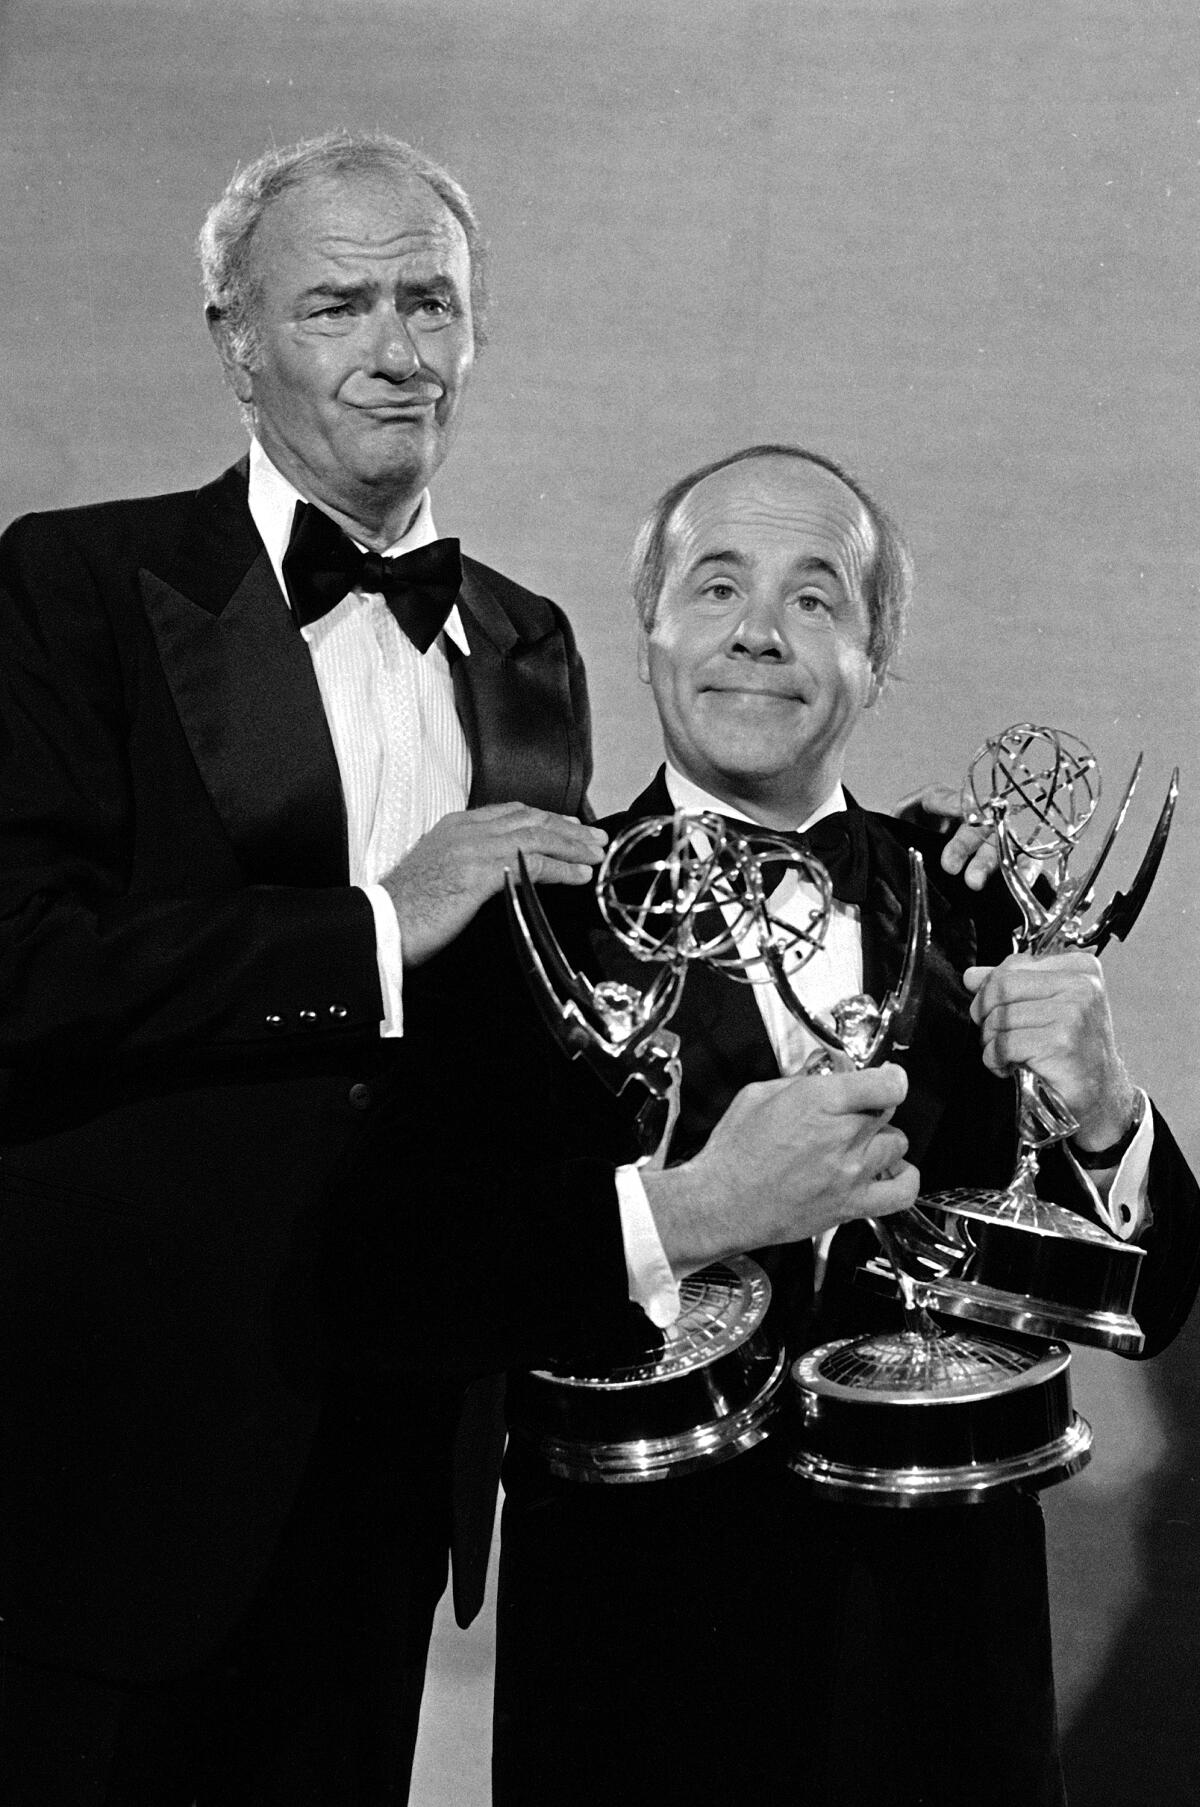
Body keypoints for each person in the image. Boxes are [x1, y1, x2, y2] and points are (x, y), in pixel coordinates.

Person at [0, 142, 921, 1804]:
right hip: (130, 1443)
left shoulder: (527, 639)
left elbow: (560, 1043)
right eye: (338, 302)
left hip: (410, 1433)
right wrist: (374, 923)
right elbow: (19, 972)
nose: (397, 347)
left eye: (431, 301)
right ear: (234, 337)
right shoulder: (69, 587)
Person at [493, 444, 1200, 1807]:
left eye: (817, 600)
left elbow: (1155, 1303)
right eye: (715, 587)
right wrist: (701, 1208)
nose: (759, 631)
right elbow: (425, 1278)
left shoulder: (984, 900)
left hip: (934, 1673)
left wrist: (1107, 1110)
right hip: (632, 1672)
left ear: (878, 660)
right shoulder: (533, 915)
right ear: (647, 629)